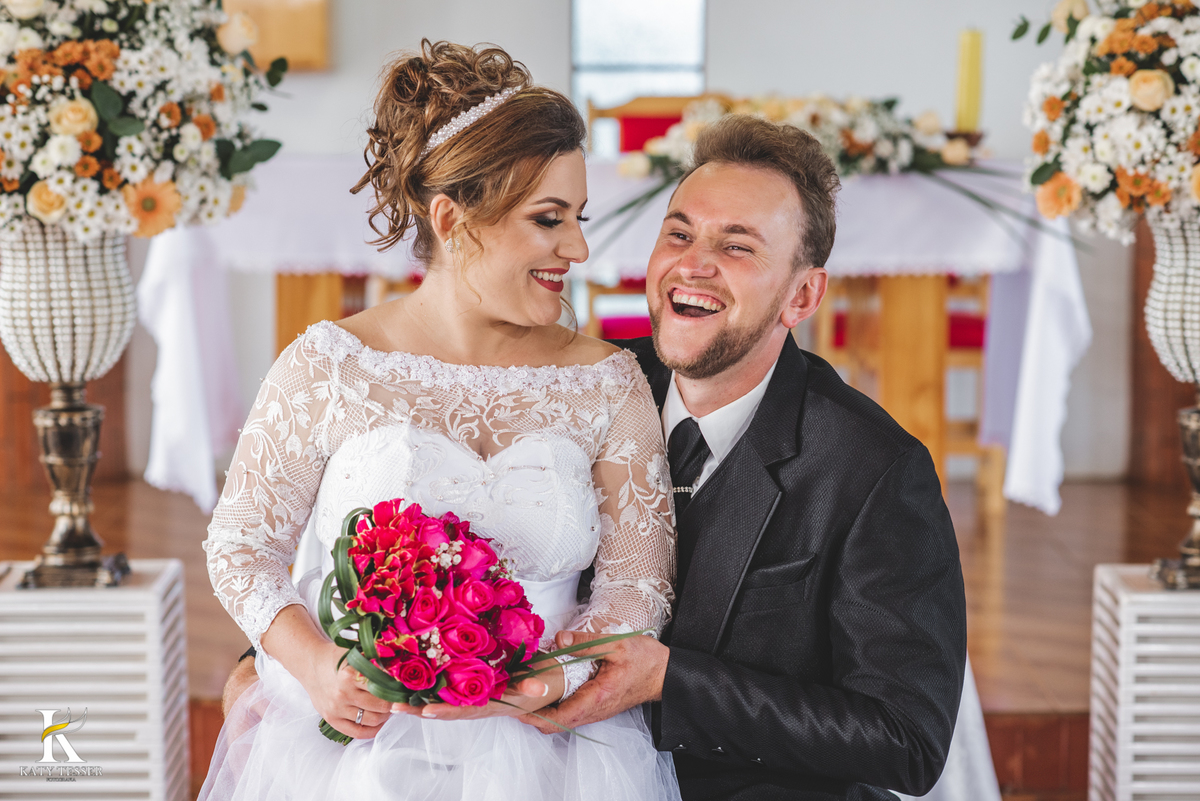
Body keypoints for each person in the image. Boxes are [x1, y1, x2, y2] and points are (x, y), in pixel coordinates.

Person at [199, 40, 680, 801]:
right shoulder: (330, 365)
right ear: (454, 220)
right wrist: (319, 667)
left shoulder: (607, 382)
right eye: (549, 218)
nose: (579, 248)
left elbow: (636, 586)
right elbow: (241, 547)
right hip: (354, 754)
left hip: (558, 756)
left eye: (578, 218)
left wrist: (563, 668)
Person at [518, 116, 968, 800]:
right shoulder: (585, 387)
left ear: (802, 295)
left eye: (736, 245)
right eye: (680, 233)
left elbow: (907, 738)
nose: (693, 263)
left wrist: (674, 680)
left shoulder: (874, 469)